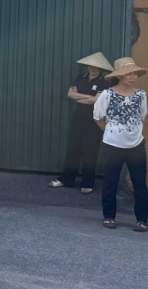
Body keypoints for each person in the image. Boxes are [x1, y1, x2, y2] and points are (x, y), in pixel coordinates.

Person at [93, 57, 148, 232]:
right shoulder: (107, 94)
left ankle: (142, 219)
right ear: (119, 76)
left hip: (136, 144)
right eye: (129, 74)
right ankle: (109, 216)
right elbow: (98, 117)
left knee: (140, 183)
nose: (133, 77)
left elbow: (142, 116)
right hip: (112, 145)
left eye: (135, 74)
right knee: (110, 182)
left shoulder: (141, 95)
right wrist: (111, 131)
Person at [48, 52, 112, 193]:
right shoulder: (80, 78)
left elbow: (97, 100)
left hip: (95, 119)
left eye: (96, 67)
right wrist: (89, 97)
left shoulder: (104, 82)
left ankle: (87, 183)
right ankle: (66, 179)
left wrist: (79, 97)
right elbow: (70, 94)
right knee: (73, 148)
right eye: (91, 66)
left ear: (101, 68)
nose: (93, 69)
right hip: (78, 117)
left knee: (90, 150)